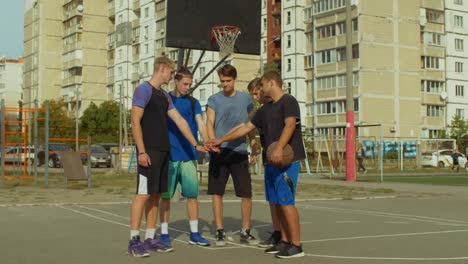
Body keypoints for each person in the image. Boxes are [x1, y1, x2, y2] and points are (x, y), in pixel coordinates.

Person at [207, 71, 306, 258]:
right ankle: (284, 241)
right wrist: (220, 139)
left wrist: (279, 147)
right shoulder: (264, 110)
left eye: (261, 85)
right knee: (276, 202)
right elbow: (244, 128)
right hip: (271, 162)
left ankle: (297, 245)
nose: (259, 89)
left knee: (286, 202)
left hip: (286, 161)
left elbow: (290, 125)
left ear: (270, 83)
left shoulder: (288, 101)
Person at [128, 56, 204, 257]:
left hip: (164, 153)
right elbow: (135, 121)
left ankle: (151, 238)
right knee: (143, 194)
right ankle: (134, 240)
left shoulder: (164, 96)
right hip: (149, 151)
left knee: (155, 195)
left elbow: (180, 121)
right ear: (162, 69)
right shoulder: (143, 90)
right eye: (171, 73)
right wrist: (142, 151)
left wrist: (196, 144)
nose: (172, 76)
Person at [205, 64, 258, 246]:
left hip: (239, 152)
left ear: (235, 80)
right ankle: (220, 231)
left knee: (246, 194)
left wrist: (254, 146)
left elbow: (250, 124)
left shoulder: (245, 99)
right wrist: (213, 143)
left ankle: (245, 231)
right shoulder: (213, 99)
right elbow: (209, 122)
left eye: (228, 81)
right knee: (217, 192)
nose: (225, 84)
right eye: (222, 81)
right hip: (219, 151)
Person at [158, 67, 210, 247]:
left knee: (192, 195)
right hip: (170, 155)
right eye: (185, 84)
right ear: (176, 82)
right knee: (165, 197)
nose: (188, 87)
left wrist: (208, 141)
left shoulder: (194, 102)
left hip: (189, 155)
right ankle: (164, 234)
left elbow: (201, 124)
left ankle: (194, 234)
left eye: (190, 84)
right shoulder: (166, 100)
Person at [247, 78, 281, 248]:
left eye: (256, 92)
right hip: (268, 158)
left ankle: (285, 235)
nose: (254, 96)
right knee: (273, 199)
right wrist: (255, 149)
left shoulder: (278, 105)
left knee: (282, 199)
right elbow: (247, 128)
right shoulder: (260, 111)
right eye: (252, 94)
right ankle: (277, 232)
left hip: (281, 159)